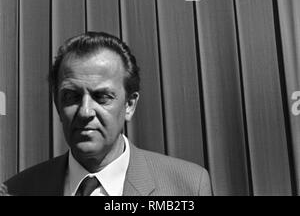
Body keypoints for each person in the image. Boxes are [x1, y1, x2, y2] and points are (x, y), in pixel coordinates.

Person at [3, 32, 212, 196]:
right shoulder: (18, 189)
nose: (85, 111)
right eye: (71, 96)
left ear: (129, 105)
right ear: (57, 105)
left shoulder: (188, 186)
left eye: (102, 97)